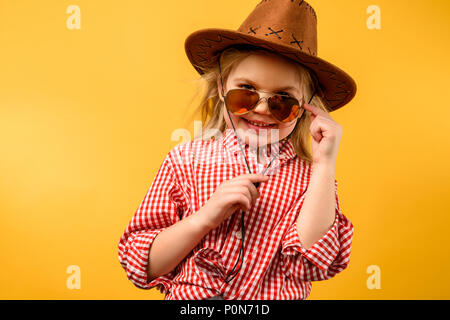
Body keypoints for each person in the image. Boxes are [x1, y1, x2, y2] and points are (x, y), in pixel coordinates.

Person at [118, 0, 356, 300]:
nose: (261, 109)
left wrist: (324, 164)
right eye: (246, 91)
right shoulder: (186, 161)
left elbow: (311, 263)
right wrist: (204, 218)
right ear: (221, 87)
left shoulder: (313, 181)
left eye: (282, 100)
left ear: (306, 107)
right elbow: (142, 265)